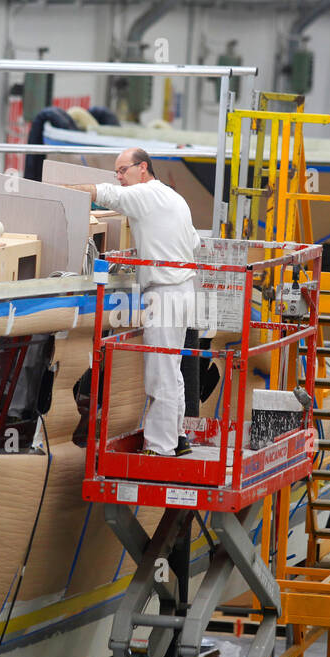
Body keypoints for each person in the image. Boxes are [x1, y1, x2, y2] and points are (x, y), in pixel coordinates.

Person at [69, 148, 198, 456]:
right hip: (181, 288)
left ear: (143, 168)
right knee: (172, 367)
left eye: (122, 170)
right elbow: (193, 242)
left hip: (165, 291)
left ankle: (160, 447)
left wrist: (59, 192)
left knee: (160, 371)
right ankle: (177, 436)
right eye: (116, 172)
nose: (119, 177)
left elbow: (105, 195)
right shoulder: (172, 198)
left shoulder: (145, 194)